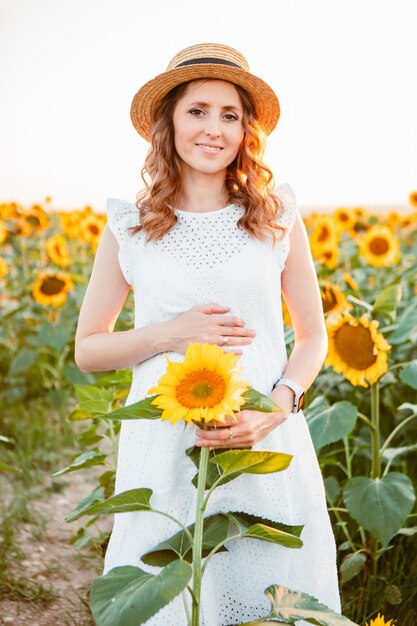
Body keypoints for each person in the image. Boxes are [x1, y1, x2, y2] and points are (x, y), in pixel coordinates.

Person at [75, 43, 341, 625]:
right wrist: (168, 334)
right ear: (168, 121)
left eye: (230, 115)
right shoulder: (131, 227)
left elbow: (313, 338)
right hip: (164, 442)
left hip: (261, 437)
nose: (214, 128)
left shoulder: (276, 218)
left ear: (247, 131)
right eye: (198, 110)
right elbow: (88, 349)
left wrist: (276, 407)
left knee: (265, 592)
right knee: (173, 590)